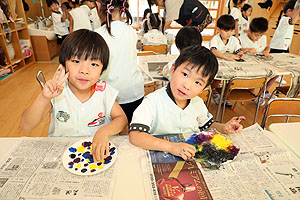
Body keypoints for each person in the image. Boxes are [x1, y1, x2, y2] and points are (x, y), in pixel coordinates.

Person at [20, 29, 128, 162]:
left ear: (102, 69)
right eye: (76, 61)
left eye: (94, 64)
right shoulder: (56, 92)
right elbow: (26, 126)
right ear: (64, 64)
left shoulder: (104, 91)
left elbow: (121, 118)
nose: (84, 71)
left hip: (95, 157)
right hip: (62, 157)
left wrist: (103, 131)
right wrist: (44, 98)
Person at [129, 45, 245, 160]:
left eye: (198, 82)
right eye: (185, 74)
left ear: (204, 88)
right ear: (173, 69)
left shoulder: (198, 103)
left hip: (191, 157)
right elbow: (135, 136)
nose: (187, 86)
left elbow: (207, 126)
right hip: (162, 157)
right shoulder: (151, 102)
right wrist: (171, 147)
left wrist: (223, 127)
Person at [95, 0, 144, 124]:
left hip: (110, 94)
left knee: (112, 132)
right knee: (133, 131)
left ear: (100, 7)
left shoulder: (98, 34)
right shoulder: (131, 31)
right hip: (134, 91)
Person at [147, 0, 212, 32]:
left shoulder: (169, 2)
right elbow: (166, 21)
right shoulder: (167, 6)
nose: (158, 6)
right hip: (195, 18)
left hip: (199, 16)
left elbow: (168, 22)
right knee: (189, 37)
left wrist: (158, 33)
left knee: (190, 38)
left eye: (156, 3)